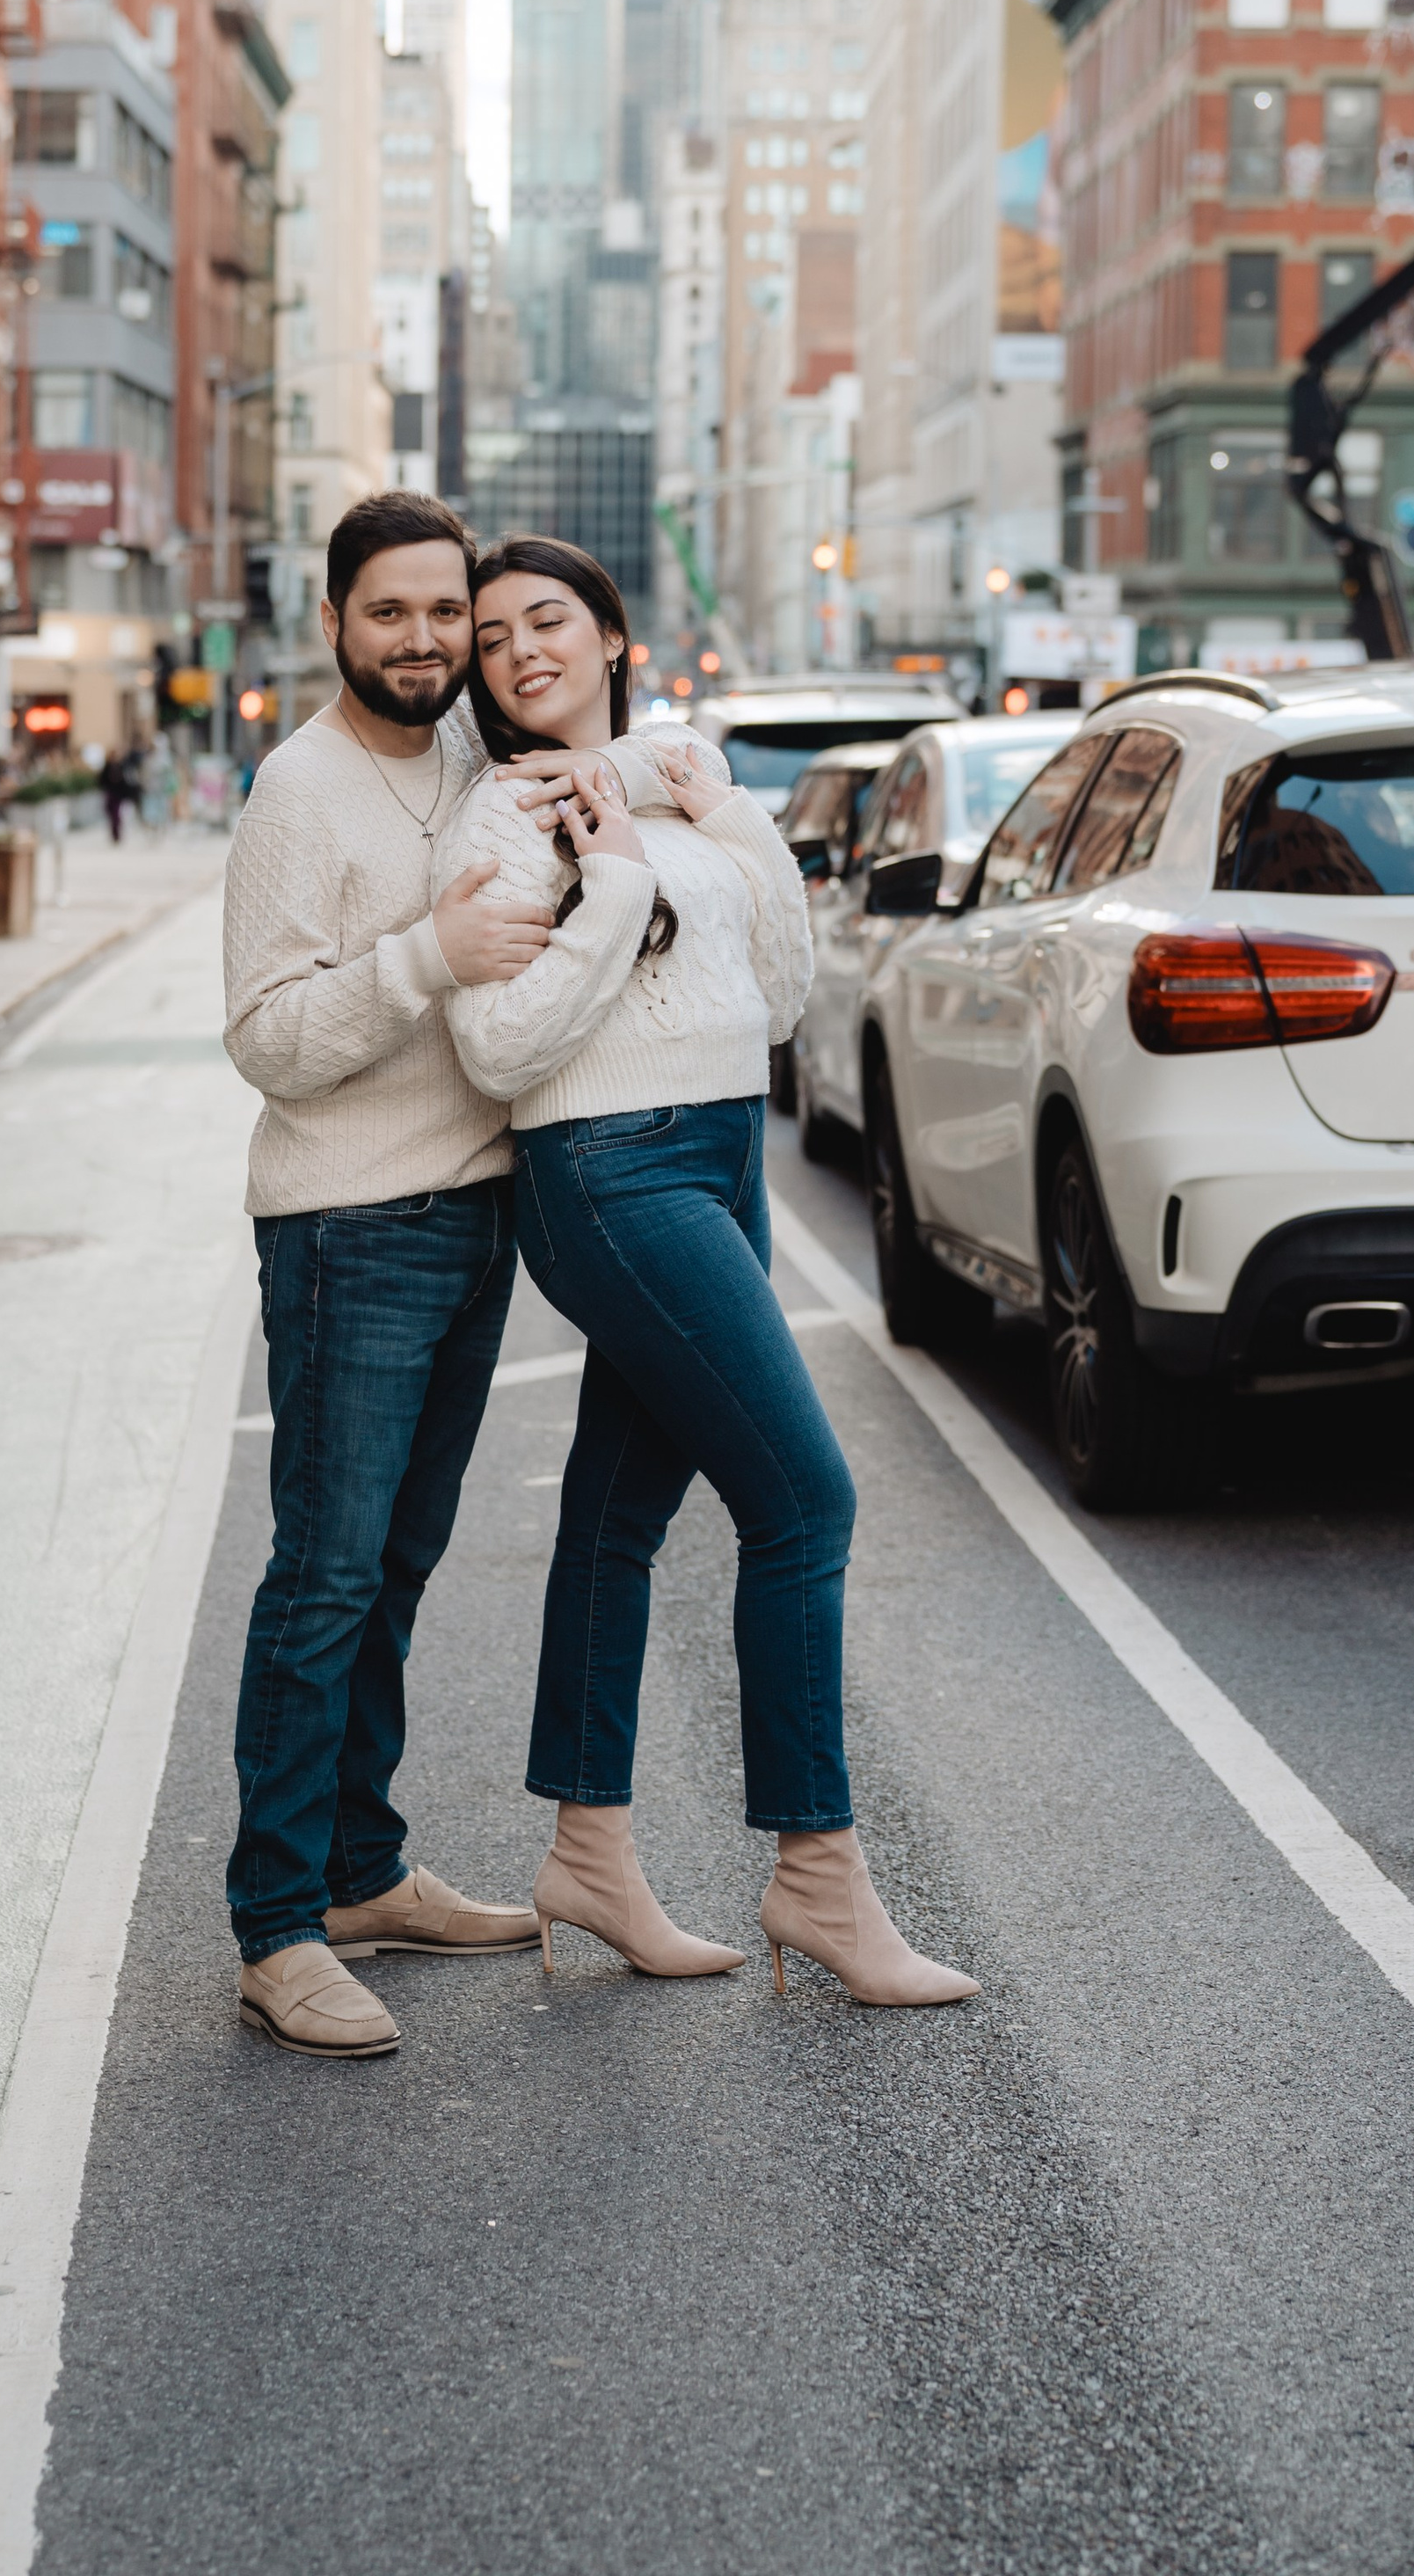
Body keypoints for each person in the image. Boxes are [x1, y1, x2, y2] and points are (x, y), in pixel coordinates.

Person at [436, 537, 979, 2013]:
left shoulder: (679, 778)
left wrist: (722, 808)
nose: (519, 651)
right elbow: (493, 1049)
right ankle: (819, 1880)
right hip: (609, 1170)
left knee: (621, 1513)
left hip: (723, 1149)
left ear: (614, 634)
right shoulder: (506, 807)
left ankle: (589, 1854)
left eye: (547, 620)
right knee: (805, 1500)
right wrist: (607, 884)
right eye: (493, 639)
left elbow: (779, 990)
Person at [220, 493, 607, 2061]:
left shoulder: (468, 759)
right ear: (333, 621)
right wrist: (431, 956)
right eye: (392, 613)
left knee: (395, 1569)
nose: (429, 640)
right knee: (322, 1578)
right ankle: (275, 1926)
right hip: (347, 1233)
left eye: (447, 611)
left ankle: (363, 1869)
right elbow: (264, 1040)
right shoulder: (297, 791)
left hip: (473, 1219)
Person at [100, 746, 129, 844]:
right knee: (111, 814)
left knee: (117, 815)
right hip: (110, 793)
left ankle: (117, 833)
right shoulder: (107, 767)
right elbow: (102, 780)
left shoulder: (121, 766)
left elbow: (124, 781)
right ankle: (114, 833)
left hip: (118, 793)